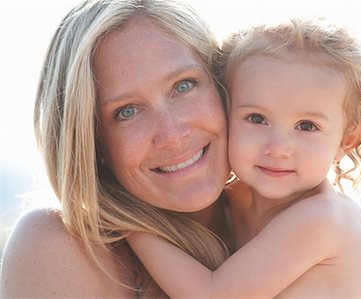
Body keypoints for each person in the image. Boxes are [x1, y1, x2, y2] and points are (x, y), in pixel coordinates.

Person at [127, 18, 361, 298]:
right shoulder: (229, 202)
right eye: (256, 118)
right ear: (225, 114)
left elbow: (211, 295)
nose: (278, 148)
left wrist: (129, 224)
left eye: (306, 126)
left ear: (348, 139)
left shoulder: (325, 219)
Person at [0, 0, 234, 297]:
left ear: (222, 84)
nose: (172, 134)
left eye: (184, 86)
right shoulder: (58, 248)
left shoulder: (297, 218)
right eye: (127, 111)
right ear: (91, 143)